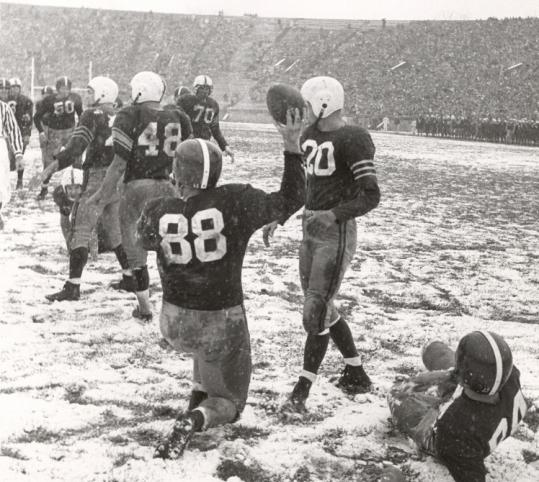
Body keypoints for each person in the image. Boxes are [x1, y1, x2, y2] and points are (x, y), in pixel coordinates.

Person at [138, 108, 305, 459]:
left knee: (203, 351)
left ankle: (194, 403)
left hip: (173, 322)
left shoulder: (157, 208)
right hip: (220, 318)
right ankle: (198, 418)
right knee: (230, 401)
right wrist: (292, 146)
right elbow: (291, 199)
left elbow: (146, 242)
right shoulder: (235, 200)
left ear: (177, 172)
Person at [266, 76, 380, 411]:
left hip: (335, 231)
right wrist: (283, 215)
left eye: (307, 102)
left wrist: (334, 214)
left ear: (324, 102)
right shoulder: (309, 136)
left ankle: (302, 390)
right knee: (322, 306)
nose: (302, 109)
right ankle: (356, 373)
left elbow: (371, 194)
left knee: (314, 310)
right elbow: (305, 189)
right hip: (310, 229)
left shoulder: (354, 137)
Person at [87, 71, 192, 320]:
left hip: (136, 188)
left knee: (136, 252)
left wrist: (103, 192)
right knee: (168, 250)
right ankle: (174, 306)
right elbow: (187, 154)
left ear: (140, 90)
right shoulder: (177, 115)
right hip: (168, 187)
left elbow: (120, 163)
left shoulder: (130, 114)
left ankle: (145, 307)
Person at [31, 76, 131, 301]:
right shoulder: (123, 114)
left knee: (81, 228)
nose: (86, 95)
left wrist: (51, 168)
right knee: (114, 229)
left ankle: (73, 285)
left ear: (102, 93)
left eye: (90, 91)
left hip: (97, 176)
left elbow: (77, 146)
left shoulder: (91, 115)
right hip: (118, 175)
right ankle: (129, 275)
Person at [388, 331, 528, 482]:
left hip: (444, 436)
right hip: (484, 412)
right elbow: (479, 373)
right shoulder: (508, 377)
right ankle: (435, 354)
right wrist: (439, 377)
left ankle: (441, 382)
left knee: (396, 392)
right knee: (467, 360)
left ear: (464, 382)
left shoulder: (453, 428)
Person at [33, 76, 83, 200]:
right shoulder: (49, 100)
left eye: (67, 89)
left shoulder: (75, 98)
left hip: (71, 131)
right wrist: (41, 132)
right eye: (62, 89)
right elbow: (36, 117)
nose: (65, 91)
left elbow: (81, 114)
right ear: (57, 89)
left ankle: (78, 187)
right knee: (49, 162)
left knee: (77, 159)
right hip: (54, 133)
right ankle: (44, 189)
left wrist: (79, 129)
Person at [177, 75, 234, 162]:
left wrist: (224, 146)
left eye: (207, 88)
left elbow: (215, 129)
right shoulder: (186, 100)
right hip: (187, 143)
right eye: (202, 88)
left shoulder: (213, 104)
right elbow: (176, 121)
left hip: (203, 144)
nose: (205, 91)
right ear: (196, 88)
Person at [0, 97, 23, 230]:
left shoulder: (3, 108)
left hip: (0, 145)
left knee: (1, 182)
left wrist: (18, 154)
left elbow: (13, 131)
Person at [8, 77, 33, 189]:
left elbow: (29, 119)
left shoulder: (26, 101)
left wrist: (27, 134)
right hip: (6, 132)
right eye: (12, 87)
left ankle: (19, 181)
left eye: (17, 87)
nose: (14, 90)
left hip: (20, 132)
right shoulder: (4, 99)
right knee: (5, 158)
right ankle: (5, 180)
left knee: (19, 157)